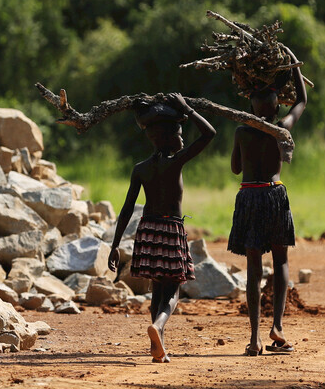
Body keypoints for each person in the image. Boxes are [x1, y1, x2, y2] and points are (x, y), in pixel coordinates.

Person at [107, 93, 216, 363]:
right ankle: (159, 327)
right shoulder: (176, 162)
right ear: (167, 137)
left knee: (157, 288)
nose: (183, 139)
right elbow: (209, 133)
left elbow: (127, 209)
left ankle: (159, 347)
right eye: (179, 135)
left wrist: (114, 245)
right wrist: (188, 109)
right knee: (173, 291)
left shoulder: (140, 168)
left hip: (148, 230)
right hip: (170, 229)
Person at [227, 47, 308, 356]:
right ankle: (278, 327)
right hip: (274, 195)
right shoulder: (281, 129)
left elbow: (235, 169)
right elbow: (301, 100)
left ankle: (254, 337)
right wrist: (293, 65)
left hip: (248, 196)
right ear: (277, 106)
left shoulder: (240, 131)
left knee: (253, 266)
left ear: (250, 105)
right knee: (281, 261)